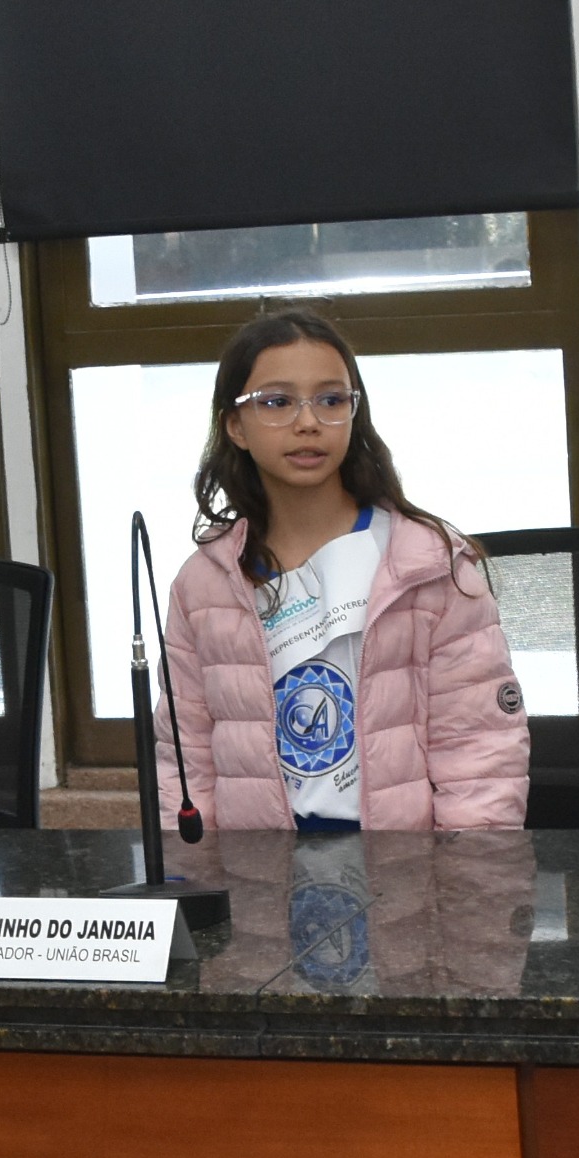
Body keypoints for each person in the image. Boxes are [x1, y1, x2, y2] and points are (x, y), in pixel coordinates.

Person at [154, 308, 527, 832]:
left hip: (402, 870)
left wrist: (462, 876)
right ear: (235, 426)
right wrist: (194, 873)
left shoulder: (428, 566)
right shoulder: (204, 584)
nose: (308, 422)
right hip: (256, 870)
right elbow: (185, 761)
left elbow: (481, 754)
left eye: (331, 400)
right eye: (277, 402)